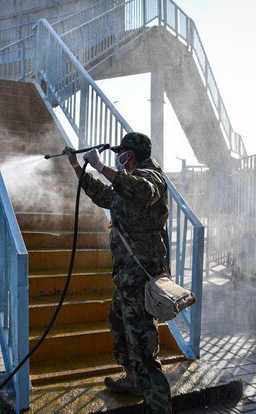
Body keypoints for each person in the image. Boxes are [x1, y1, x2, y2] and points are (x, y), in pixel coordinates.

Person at [63, 132, 171, 414]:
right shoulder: (126, 182)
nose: (118, 159)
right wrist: (77, 167)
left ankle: (158, 406)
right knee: (118, 323)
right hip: (126, 278)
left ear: (130, 155)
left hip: (142, 276)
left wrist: (100, 167)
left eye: (121, 153)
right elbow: (102, 195)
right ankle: (133, 380)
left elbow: (142, 191)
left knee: (144, 349)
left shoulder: (151, 177)